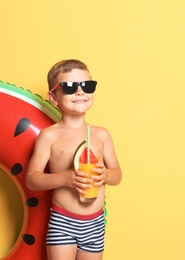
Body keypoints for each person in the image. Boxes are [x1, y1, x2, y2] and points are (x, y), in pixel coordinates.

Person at [26, 59, 122, 260]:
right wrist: (65, 178)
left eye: (87, 86)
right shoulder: (49, 136)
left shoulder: (101, 134)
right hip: (63, 221)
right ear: (53, 97)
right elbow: (32, 179)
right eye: (70, 87)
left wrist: (105, 175)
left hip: (95, 223)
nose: (80, 92)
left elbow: (117, 175)